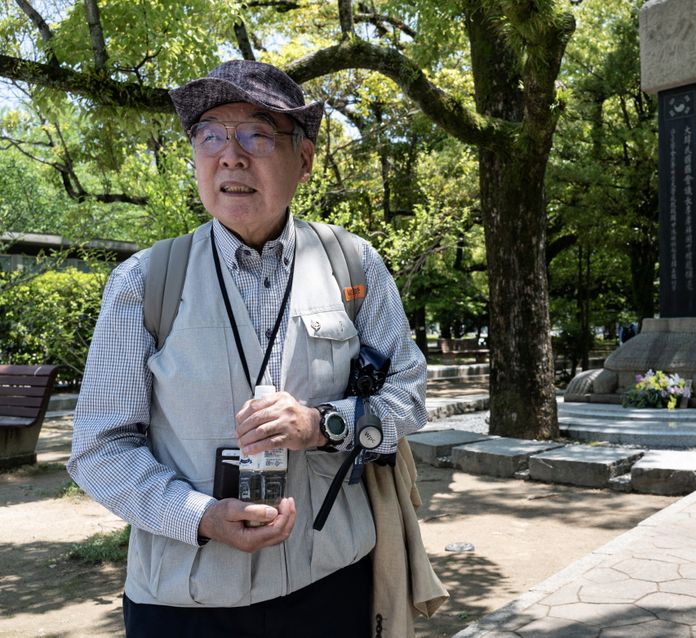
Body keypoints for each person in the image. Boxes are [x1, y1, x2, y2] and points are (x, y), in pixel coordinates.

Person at [68, 60, 428, 637]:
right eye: (211, 134)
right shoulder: (145, 282)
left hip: (333, 580)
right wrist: (201, 515)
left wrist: (319, 425)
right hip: (186, 600)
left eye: (256, 133)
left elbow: (409, 396)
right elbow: (98, 447)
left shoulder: (353, 265)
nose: (230, 155)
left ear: (304, 159)